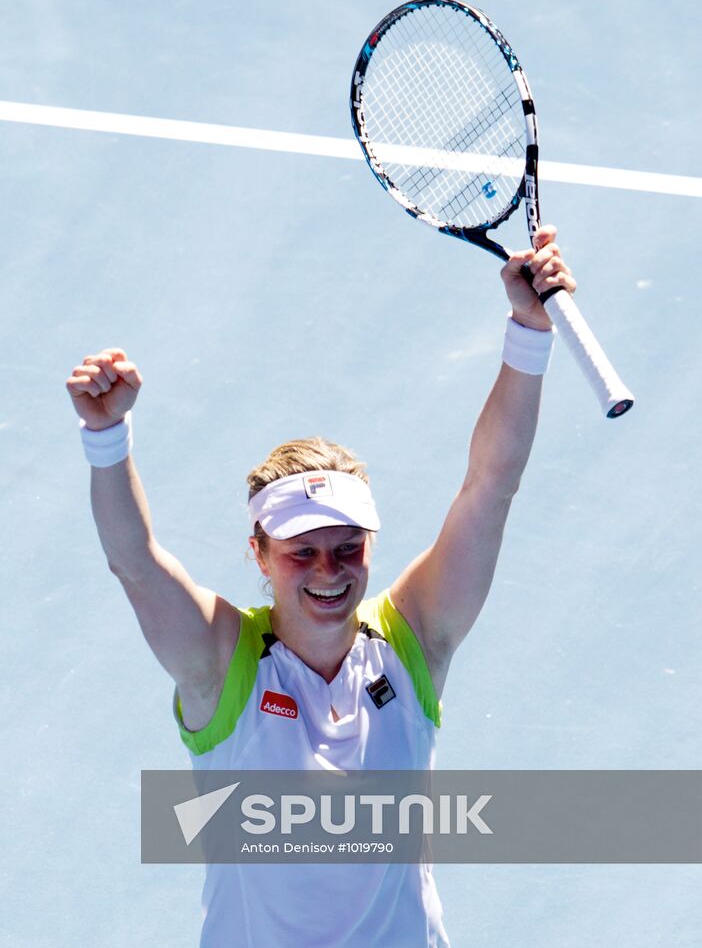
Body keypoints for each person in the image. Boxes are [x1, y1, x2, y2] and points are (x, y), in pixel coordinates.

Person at [66, 225, 575, 947]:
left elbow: (490, 487)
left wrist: (529, 330)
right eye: (301, 552)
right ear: (260, 555)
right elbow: (136, 563)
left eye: (346, 546)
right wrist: (105, 439)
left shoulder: (413, 640)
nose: (329, 570)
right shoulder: (222, 663)